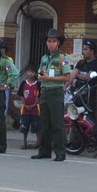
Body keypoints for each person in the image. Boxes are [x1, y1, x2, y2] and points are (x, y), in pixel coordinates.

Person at [33, 28, 71, 162]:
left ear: (58, 43)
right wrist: (41, 77)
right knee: (44, 124)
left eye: (54, 41)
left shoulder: (63, 58)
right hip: (45, 92)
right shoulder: (44, 58)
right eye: (49, 41)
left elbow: (67, 78)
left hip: (56, 92)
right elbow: (40, 74)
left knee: (57, 124)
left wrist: (49, 79)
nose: (51, 44)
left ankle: (60, 152)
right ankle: (44, 151)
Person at [72, 39, 97, 113]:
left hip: (89, 98)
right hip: (77, 96)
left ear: (92, 51)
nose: (83, 51)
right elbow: (72, 76)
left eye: (85, 49)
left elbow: (88, 78)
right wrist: (80, 76)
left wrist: (78, 75)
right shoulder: (81, 63)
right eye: (83, 49)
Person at [18, 68, 40, 150]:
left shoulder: (38, 84)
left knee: (37, 126)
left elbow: (39, 95)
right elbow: (21, 95)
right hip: (25, 109)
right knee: (24, 126)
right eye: (29, 71)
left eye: (33, 72)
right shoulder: (24, 83)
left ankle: (38, 142)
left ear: (35, 74)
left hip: (35, 109)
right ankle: (24, 143)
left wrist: (35, 104)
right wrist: (25, 104)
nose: (31, 74)